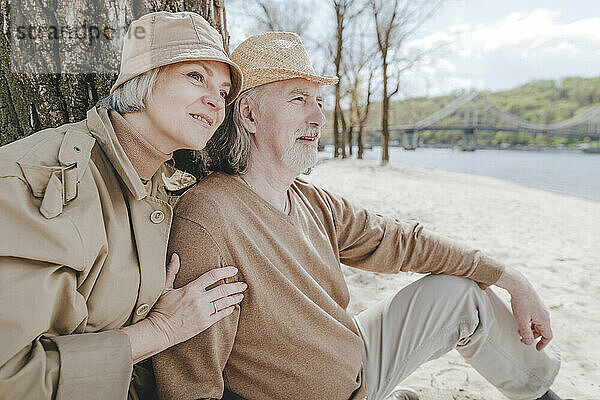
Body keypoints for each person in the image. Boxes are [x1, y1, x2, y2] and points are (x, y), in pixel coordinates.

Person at [152, 32, 562, 400]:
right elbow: (192, 385)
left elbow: (403, 241)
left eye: (319, 102)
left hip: (360, 364)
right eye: (298, 99)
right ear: (249, 115)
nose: (317, 118)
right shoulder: (207, 222)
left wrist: (512, 279)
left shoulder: (313, 202)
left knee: (462, 294)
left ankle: (541, 393)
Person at [0, 11, 249, 400]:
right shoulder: (43, 180)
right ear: (141, 79)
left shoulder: (163, 184)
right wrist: (162, 330)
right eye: (195, 76)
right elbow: (10, 377)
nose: (214, 102)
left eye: (222, 92)